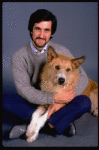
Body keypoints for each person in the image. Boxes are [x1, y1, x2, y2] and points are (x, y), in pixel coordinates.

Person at [3, 9, 91, 139]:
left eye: (46, 30)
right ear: (31, 30)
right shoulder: (19, 56)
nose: (41, 35)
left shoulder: (62, 51)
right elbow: (24, 90)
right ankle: (59, 122)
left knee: (85, 102)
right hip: (33, 101)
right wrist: (53, 99)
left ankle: (30, 126)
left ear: (51, 33)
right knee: (5, 100)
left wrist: (62, 101)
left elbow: (83, 78)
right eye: (38, 29)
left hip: (61, 100)